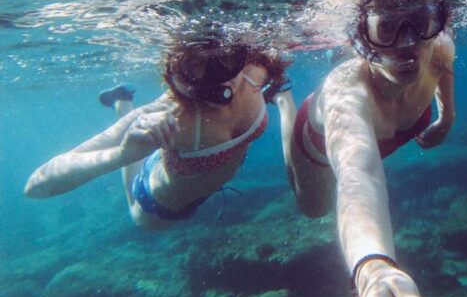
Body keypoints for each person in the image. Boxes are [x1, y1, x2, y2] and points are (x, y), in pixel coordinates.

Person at [279, 0, 456, 297]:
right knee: (312, 208)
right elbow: (359, 174)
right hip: (317, 147)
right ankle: (283, 100)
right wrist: (372, 267)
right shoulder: (346, 93)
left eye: (419, 22)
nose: (408, 44)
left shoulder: (437, 48)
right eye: (387, 27)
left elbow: (443, 70)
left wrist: (446, 117)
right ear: (362, 36)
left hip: (372, 134)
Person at [25, 32, 292, 229]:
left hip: (188, 176)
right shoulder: (171, 114)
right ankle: (123, 103)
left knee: (145, 144)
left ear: (239, 52)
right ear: (176, 75)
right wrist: (122, 154)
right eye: (196, 69)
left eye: (226, 60)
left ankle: (123, 101)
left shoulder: (253, 71)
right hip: (157, 204)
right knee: (136, 205)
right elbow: (36, 185)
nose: (219, 81)